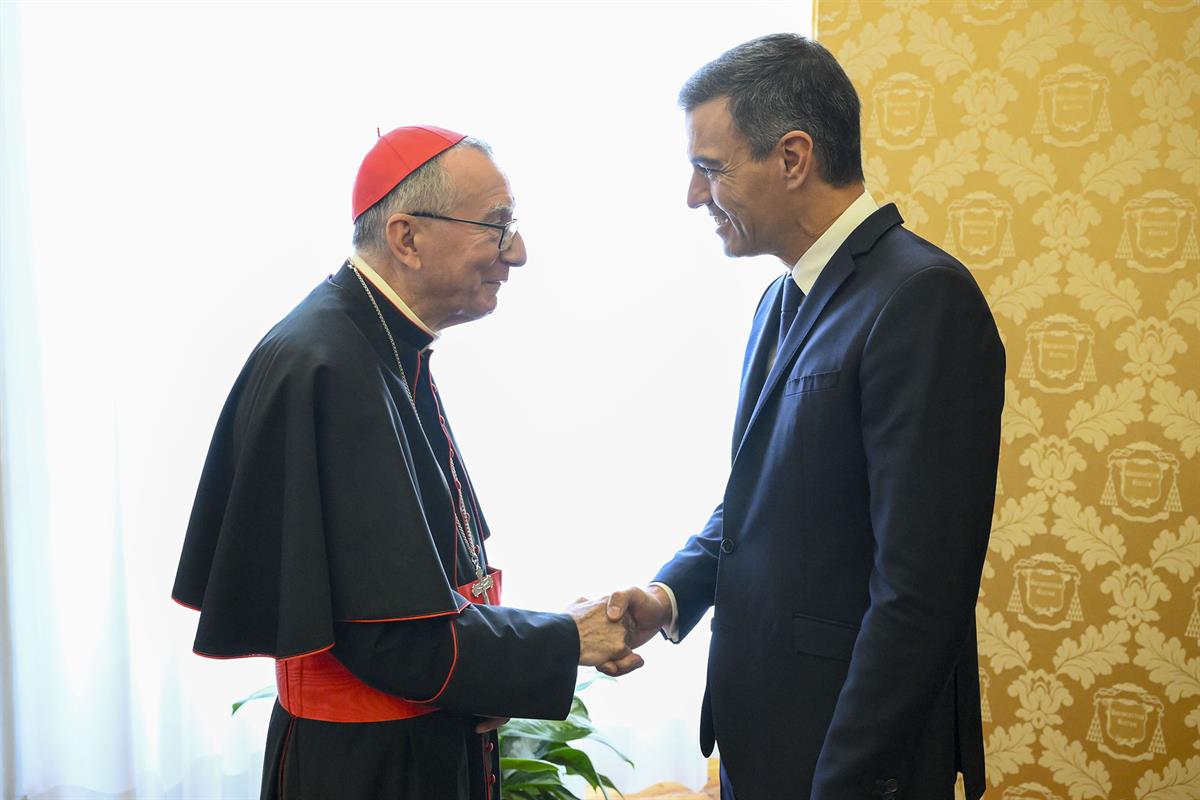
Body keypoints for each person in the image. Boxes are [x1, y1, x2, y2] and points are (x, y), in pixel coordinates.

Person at [173, 125, 632, 800]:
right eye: (498, 227)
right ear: (407, 237)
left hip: (410, 748)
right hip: (372, 771)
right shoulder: (328, 365)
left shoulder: (379, 341)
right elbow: (394, 640)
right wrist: (562, 640)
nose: (520, 252)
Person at [601, 34, 1005, 800]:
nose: (694, 195)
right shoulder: (778, 300)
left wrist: (845, 780)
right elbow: (761, 499)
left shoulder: (922, 299)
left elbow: (919, 590)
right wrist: (667, 597)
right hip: (768, 740)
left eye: (710, 169)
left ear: (793, 158)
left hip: (848, 756)